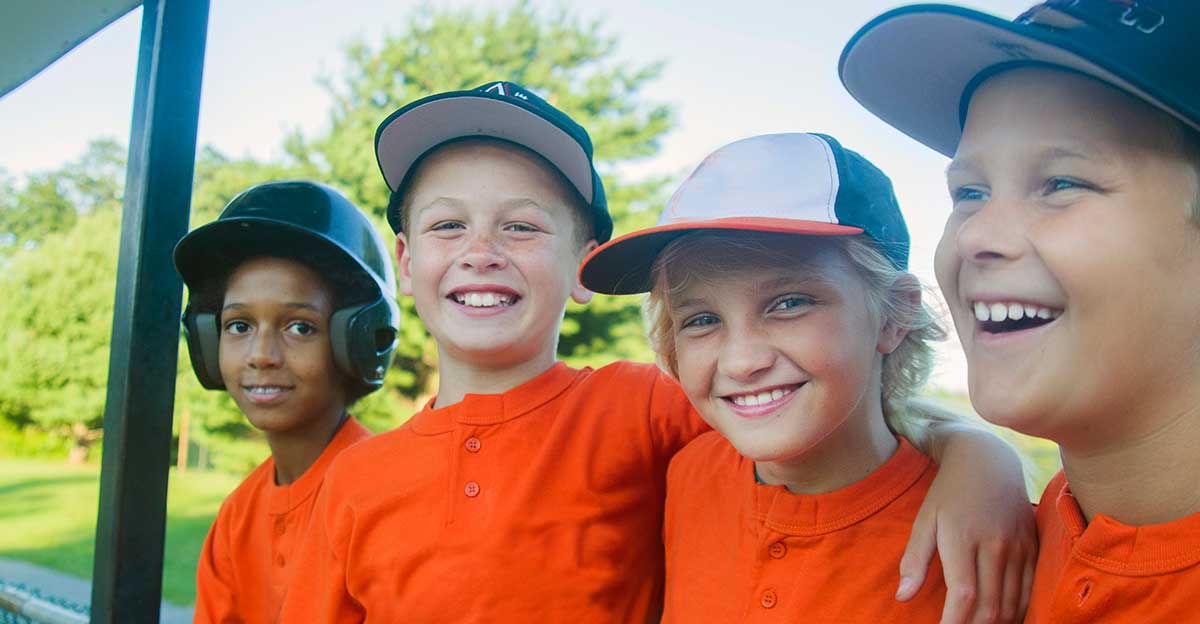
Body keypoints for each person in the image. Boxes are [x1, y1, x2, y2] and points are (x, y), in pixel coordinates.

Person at [281, 81, 1034, 624]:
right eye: (449, 227)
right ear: (406, 261)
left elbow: (850, 426)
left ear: (585, 263)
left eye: (520, 226)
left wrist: (980, 454)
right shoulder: (356, 479)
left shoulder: (643, 413)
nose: (741, 359)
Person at [840, 1, 1200, 621]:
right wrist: (972, 449)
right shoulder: (1037, 532)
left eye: (1062, 183)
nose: (977, 235)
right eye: (969, 192)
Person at [581, 131, 972, 621]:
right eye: (701, 319)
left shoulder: (976, 541)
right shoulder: (683, 474)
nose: (742, 362)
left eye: (789, 303)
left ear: (893, 316)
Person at [173, 180, 399, 624]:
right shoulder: (237, 517)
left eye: (299, 327)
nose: (260, 355)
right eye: (238, 326)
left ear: (357, 340)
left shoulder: (388, 503)